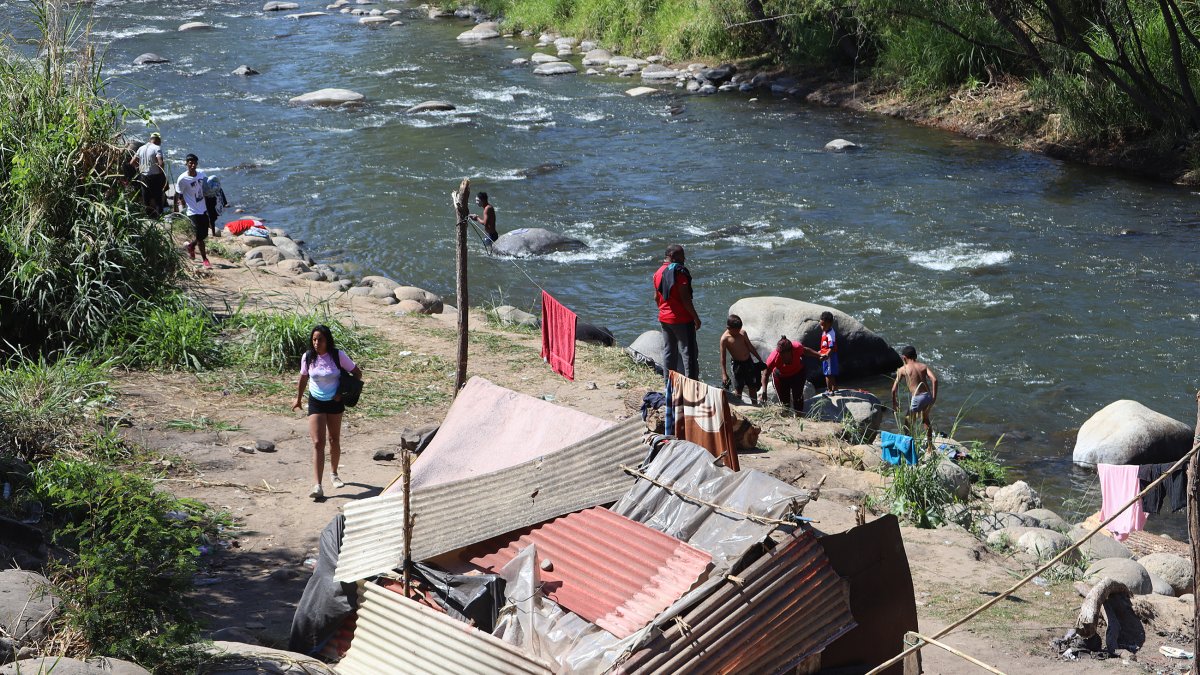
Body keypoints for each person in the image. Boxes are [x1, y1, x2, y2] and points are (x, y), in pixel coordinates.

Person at [292, 325, 362, 500]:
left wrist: (342, 393)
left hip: (335, 401)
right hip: (315, 401)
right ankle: (318, 485)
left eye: (320, 339)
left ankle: (334, 473)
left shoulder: (338, 356)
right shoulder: (308, 357)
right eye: (314, 340)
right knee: (317, 443)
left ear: (327, 340)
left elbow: (357, 374)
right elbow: (303, 377)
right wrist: (298, 398)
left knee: (334, 440)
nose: (316, 343)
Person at [653, 244, 700, 379]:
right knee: (689, 354)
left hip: (664, 319)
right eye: (681, 255)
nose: (684, 258)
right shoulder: (679, 272)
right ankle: (692, 387)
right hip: (682, 320)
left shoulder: (657, 272)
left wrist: (664, 310)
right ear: (673, 256)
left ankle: (669, 385)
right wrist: (696, 318)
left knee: (669, 352)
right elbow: (686, 299)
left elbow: (656, 297)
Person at [891, 345, 939, 452]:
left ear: (904, 358)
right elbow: (934, 380)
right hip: (927, 396)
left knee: (907, 424)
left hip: (917, 398)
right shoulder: (923, 366)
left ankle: (909, 447)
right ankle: (930, 447)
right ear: (916, 356)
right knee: (926, 420)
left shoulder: (903, 369)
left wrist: (894, 403)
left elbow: (894, 389)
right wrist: (934, 397)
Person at [761, 335, 820, 413]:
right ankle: (788, 418)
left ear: (791, 351)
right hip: (781, 377)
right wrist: (764, 391)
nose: (782, 357)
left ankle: (799, 417)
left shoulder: (797, 347)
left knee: (798, 398)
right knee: (785, 404)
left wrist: (819, 355)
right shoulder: (774, 358)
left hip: (797, 374)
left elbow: (805, 350)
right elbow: (765, 374)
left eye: (784, 355)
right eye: (780, 354)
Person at [175, 154, 212, 268]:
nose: (192, 165)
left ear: (197, 164)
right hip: (192, 211)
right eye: (190, 163)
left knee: (204, 234)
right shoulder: (182, 179)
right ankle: (205, 259)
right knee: (200, 237)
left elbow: (207, 189)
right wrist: (176, 209)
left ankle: (191, 246)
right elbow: (178, 194)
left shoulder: (202, 175)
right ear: (186, 164)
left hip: (203, 208)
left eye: (194, 163)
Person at [719, 314, 764, 404]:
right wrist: (724, 374)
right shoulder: (724, 339)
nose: (738, 331)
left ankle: (755, 405)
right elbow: (723, 357)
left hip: (748, 362)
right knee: (738, 388)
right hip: (737, 365)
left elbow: (750, 347)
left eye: (739, 329)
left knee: (752, 387)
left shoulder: (742, 333)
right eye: (736, 330)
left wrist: (760, 360)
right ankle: (739, 405)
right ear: (729, 327)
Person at [131, 132, 165, 217]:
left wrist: (139, 168)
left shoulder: (141, 148)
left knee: (146, 197)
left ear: (150, 139)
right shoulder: (157, 148)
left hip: (143, 176)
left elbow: (132, 162)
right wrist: (162, 174)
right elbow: (161, 163)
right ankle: (159, 216)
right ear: (158, 140)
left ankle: (148, 217)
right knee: (158, 198)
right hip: (155, 177)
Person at [818, 310, 839, 394]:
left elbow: (832, 347)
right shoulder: (825, 332)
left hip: (829, 357)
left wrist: (826, 355)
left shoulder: (830, 334)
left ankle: (829, 390)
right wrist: (821, 351)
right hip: (826, 355)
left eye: (825, 325)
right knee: (830, 373)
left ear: (830, 324)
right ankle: (835, 388)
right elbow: (825, 345)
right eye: (821, 325)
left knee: (827, 374)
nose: (822, 327)